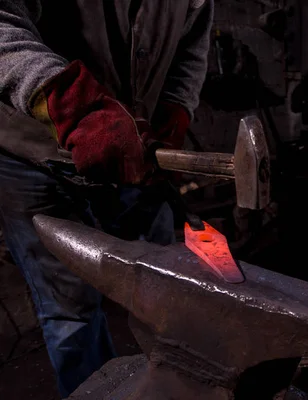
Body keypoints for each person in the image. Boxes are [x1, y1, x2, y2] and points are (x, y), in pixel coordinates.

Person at [0, 1, 213, 397]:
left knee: (169, 284)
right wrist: (68, 102)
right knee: (71, 313)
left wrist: (176, 107)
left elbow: (192, 43)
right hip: (31, 155)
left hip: (131, 149)